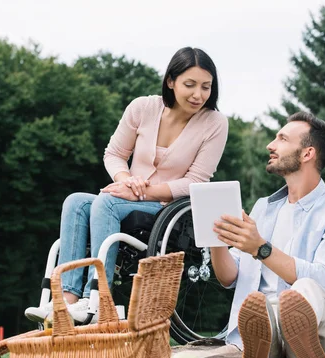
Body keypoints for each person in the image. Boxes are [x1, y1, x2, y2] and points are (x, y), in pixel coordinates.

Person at [25, 47, 228, 323]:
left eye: (206, 87)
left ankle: (97, 298)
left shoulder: (214, 123)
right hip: (127, 197)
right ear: (171, 81)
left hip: (166, 209)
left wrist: (143, 191)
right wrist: (126, 181)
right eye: (189, 85)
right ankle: (68, 299)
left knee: (105, 202)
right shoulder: (143, 108)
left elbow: (196, 181)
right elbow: (114, 154)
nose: (198, 95)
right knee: (74, 201)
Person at [209, 111, 325, 358]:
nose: (271, 145)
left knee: (303, 289)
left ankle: (291, 347)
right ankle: (278, 353)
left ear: (307, 154)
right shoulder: (263, 208)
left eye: (282, 138)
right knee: (260, 305)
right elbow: (229, 277)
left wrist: (260, 248)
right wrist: (217, 239)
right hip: (266, 323)